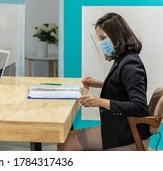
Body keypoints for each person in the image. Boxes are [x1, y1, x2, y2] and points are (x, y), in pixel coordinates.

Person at [57, 12, 151, 151]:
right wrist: (101, 84)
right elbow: (123, 87)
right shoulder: (123, 58)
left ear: (117, 34)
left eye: (103, 37)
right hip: (123, 127)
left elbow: (139, 107)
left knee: (65, 144)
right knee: (66, 138)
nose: (101, 43)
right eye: (99, 38)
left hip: (128, 132)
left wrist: (100, 102)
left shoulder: (130, 64)